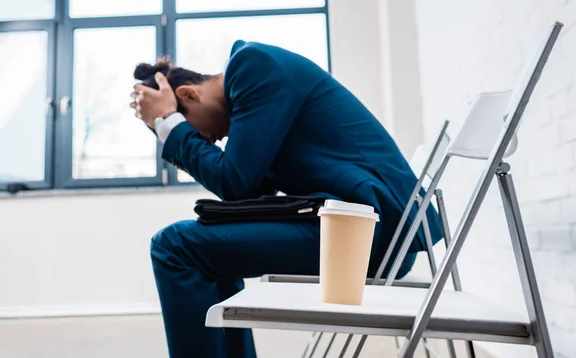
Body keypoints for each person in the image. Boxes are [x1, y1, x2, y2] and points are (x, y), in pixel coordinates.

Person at [130, 40, 443, 358]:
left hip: (368, 232)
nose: (209, 141)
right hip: (358, 229)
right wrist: (171, 123)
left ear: (187, 94)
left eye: (194, 129)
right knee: (204, 249)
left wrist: (169, 123)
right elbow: (249, 192)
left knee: (174, 246)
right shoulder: (254, 87)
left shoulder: (253, 66)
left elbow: (234, 184)